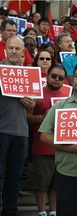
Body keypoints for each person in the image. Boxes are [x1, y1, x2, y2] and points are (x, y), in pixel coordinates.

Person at [0, 36, 35, 215]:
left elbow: (34, 103)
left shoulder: (29, 74)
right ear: (5, 50)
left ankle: (10, 211)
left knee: (14, 176)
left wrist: (30, 103)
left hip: (21, 132)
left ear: (23, 52)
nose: (14, 51)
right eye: (11, 48)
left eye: (18, 49)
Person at [27, 65, 67, 216]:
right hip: (41, 147)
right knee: (42, 183)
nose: (57, 80)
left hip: (61, 149)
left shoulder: (67, 97)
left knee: (56, 185)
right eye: (54, 76)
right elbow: (27, 119)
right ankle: (42, 212)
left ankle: (54, 212)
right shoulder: (36, 94)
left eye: (61, 78)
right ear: (47, 76)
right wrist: (42, 117)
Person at [39, 68, 77, 216]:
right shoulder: (61, 106)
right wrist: (68, 148)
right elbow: (44, 136)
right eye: (76, 75)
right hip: (67, 173)